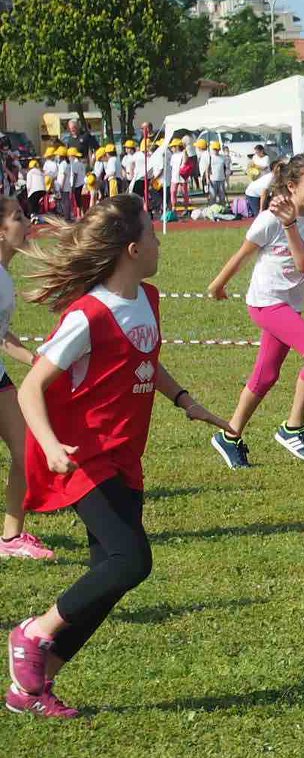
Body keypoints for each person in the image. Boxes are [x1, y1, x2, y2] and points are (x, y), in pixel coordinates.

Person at [8, 195, 236, 718]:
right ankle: (32, 633)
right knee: (130, 561)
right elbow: (31, 387)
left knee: (105, 581)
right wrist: (48, 444)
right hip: (82, 456)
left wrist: (184, 400)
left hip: (125, 455)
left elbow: (143, 362)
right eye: (154, 234)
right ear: (132, 249)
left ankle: (32, 689)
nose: (161, 242)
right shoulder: (87, 315)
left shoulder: (149, 298)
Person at [205, 154, 304, 468]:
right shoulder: (270, 218)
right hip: (265, 302)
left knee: (265, 375)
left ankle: (229, 436)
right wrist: (218, 284)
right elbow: (243, 254)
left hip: (291, 304)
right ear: (291, 186)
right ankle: (293, 428)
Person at [0, 195, 55, 561]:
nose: (27, 222)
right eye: (18, 217)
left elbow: (1, 334)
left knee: (26, 451)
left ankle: (10, 539)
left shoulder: (4, 275)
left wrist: (36, 360)